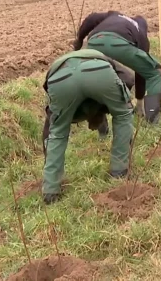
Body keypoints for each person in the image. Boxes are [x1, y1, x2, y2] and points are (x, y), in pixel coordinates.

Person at [40, 48, 136, 204]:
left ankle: (50, 190)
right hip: (98, 71)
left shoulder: (60, 65)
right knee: (123, 114)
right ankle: (119, 170)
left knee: (57, 132)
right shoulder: (104, 58)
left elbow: (49, 129)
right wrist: (115, 104)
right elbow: (129, 79)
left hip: (59, 79)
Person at [74, 11, 161, 124]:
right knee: (154, 72)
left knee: (97, 80)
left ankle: (101, 128)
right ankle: (152, 121)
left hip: (94, 42)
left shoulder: (114, 15)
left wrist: (79, 40)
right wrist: (140, 102)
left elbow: (91, 18)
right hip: (118, 43)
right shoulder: (141, 35)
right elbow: (142, 74)